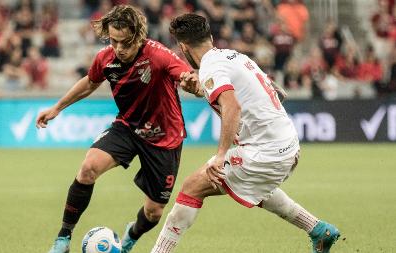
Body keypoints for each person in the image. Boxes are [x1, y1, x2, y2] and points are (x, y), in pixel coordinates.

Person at [150, 13, 340, 253]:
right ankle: (319, 230)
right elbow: (271, 91)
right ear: (209, 37)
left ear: (183, 47)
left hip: (266, 151)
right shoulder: (233, 56)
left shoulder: (210, 67)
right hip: (287, 146)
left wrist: (220, 155)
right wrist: (198, 89)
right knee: (253, 185)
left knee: (192, 187)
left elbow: (232, 106)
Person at [36, 5, 192, 253]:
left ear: (138, 35)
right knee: (88, 169)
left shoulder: (159, 56)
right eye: (113, 41)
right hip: (128, 127)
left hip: (164, 138)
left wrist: (190, 81)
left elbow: (186, 75)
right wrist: (57, 107)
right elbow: (90, 83)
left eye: (125, 42)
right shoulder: (106, 58)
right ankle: (63, 238)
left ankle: (131, 235)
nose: (118, 48)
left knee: (153, 212)